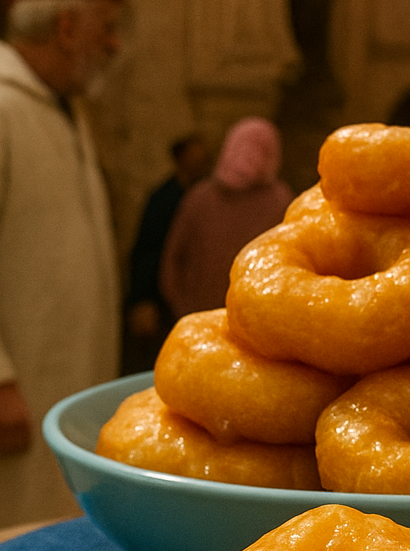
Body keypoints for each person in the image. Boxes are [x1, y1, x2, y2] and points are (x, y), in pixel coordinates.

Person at [0, 0, 124, 536]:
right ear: (65, 26)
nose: (114, 44)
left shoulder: (62, 111)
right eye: (107, 27)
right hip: (9, 401)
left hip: (58, 390)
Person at [160, 117, 292, 319]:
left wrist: (182, 310)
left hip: (200, 320)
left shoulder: (200, 196)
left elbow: (171, 262)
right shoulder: (281, 201)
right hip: (252, 322)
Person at [124, 133, 210, 370]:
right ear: (180, 158)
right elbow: (148, 248)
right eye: (194, 156)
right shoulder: (162, 198)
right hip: (161, 297)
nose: (199, 162)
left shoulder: (204, 195)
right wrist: (142, 299)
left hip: (188, 297)